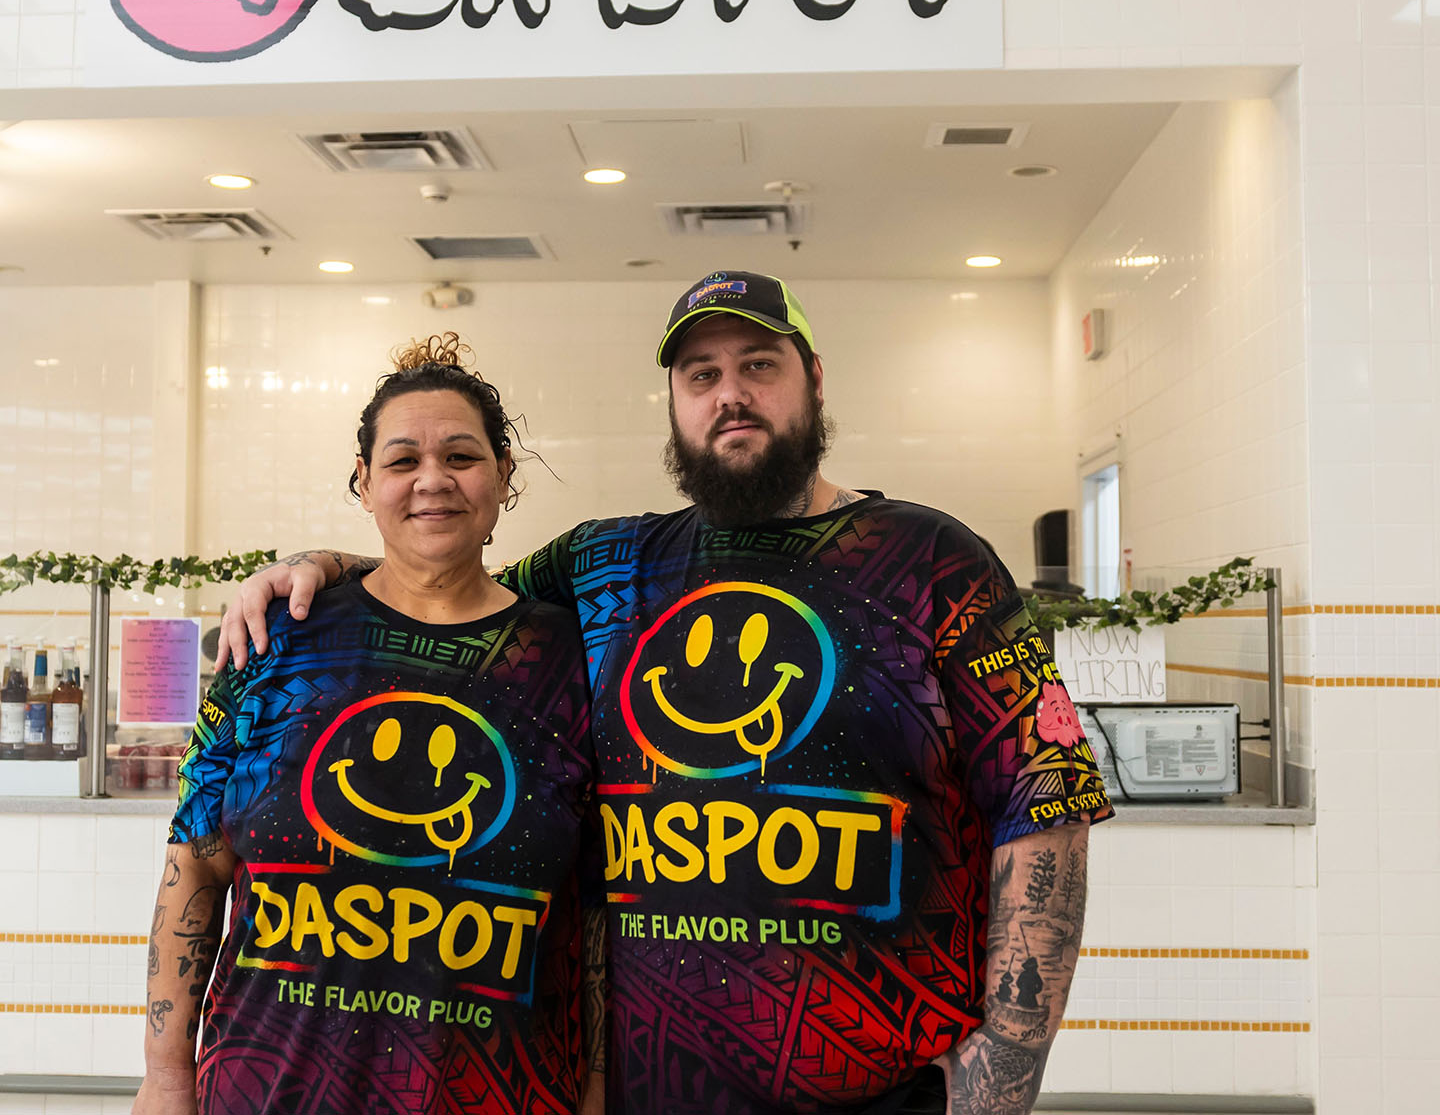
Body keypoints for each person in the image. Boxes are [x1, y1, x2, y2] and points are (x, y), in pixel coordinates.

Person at [218, 272, 1113, 1115]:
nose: (732, 394)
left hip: (885, 1093)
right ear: (676, 401)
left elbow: (1045, 800)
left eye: (759, 365)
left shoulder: (933, 559)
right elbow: (446, 583)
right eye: (702, 374)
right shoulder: (606, 563)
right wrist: (319, 566)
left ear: (813, 380)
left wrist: (1007, 1065)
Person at [138, 335, 603, 1115]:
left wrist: (598, 1087)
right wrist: (165, 1079)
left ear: (503, 476)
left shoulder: (569, 655)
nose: (432, 479)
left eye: (461, 456)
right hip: (271, 1092)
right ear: (364, 481)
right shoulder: (274, 640)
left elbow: (596, 903)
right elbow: (196, 863)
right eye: (402, 460)